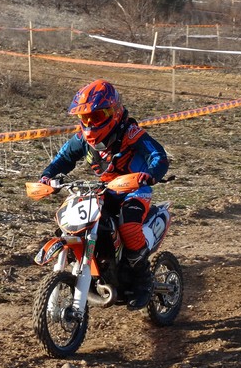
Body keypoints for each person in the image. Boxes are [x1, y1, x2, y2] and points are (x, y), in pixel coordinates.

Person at [39, 79, 169, 310]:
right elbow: (65, 158)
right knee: (71, 220)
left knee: (128, 225)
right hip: (105, 188)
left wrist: (148, 175)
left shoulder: (131, 133)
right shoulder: (82, 138)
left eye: (96, 117)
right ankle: (87, 263)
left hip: (135, 189)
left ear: (114, 112)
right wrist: (47, 176)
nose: (89, 124)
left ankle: (143, 280)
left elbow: (158, 155)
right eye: (85, 118)